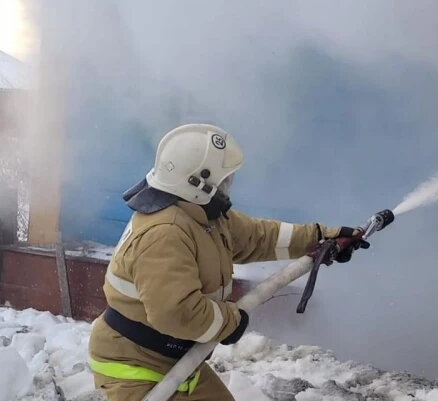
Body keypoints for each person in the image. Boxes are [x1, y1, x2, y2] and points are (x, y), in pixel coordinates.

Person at [88, 123, 364, 400]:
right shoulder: (166, 233)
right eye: (224, 179)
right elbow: (177, 312)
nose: (229, 185)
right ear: (197, 182)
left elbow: (259, 237)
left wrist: (323, 236)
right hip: (133, 365)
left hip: (175, 357)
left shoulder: (202, 216)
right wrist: (232, 322)